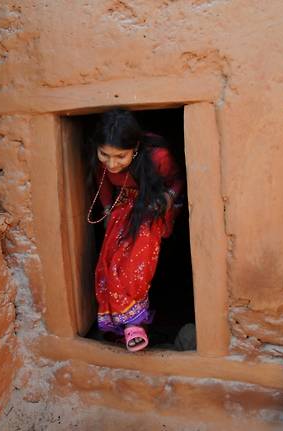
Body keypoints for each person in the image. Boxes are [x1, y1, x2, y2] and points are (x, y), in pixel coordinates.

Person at [87, 109, 184, 352]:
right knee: (109, 263)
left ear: (136, 148)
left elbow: (178, 180)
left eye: (120, 156)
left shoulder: (158, 155)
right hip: (123, 211)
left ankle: (134, 325)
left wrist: (167, 198)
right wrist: (109, 211)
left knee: (134, 263)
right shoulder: (104, 164)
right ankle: (116, 325)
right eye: (104, 155)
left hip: (153, 206)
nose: (111, 163)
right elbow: (104, 183)